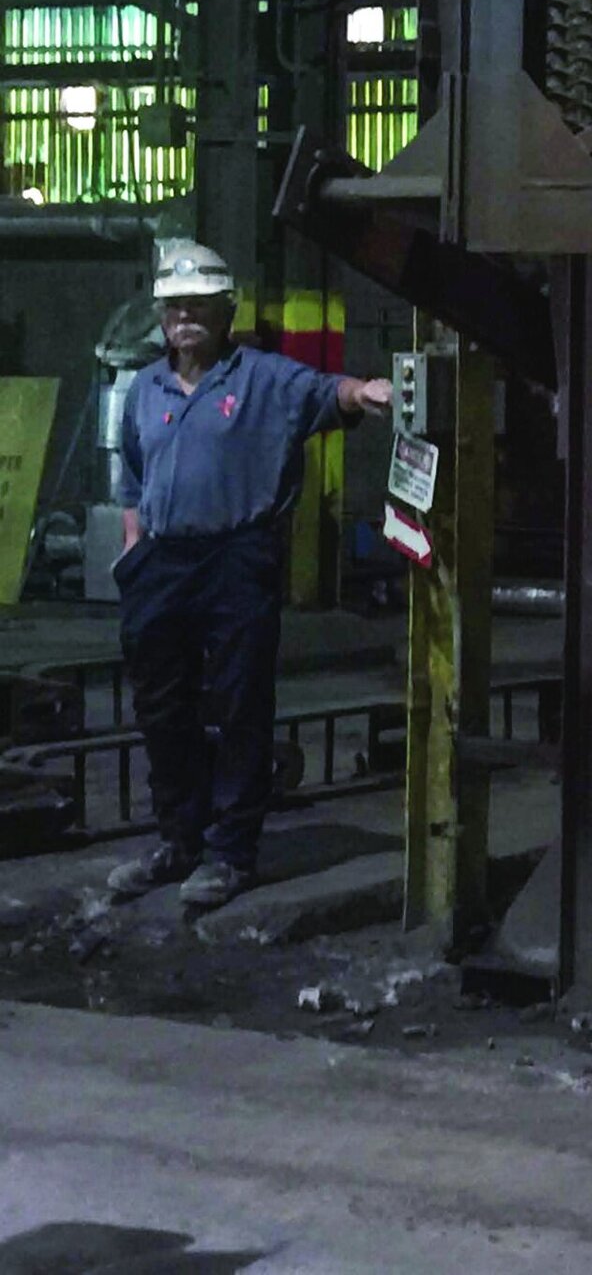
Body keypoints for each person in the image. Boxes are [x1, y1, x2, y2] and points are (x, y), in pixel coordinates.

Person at [105, 240, 392, 909]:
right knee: (162, 707)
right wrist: (133, 553)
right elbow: (132, 480)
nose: (186, 319)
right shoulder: (144, 388)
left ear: (224, 311)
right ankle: (179, 840)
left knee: (238, 706)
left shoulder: (262, 378)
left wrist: (366, 390)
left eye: (199, 307)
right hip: (162, 561)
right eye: (175, 308)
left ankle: (230, 853)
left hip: (236, 557)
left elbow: (330, 393)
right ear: (161, 317)